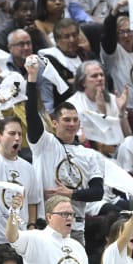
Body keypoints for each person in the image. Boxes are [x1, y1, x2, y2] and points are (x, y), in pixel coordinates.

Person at [24, 57, 104, 245]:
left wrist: (71, 193)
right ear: (54, 123)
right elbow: (31, 114)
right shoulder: (44, 144)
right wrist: (32, 79)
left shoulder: (90, 155)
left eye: (75, 120)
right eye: (66, 120)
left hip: (75, 229)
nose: (71, 124)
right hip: (46, 224)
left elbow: (97, 192)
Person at [0, 113, 40, 253]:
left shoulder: (28, 168)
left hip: (19, 240)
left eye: (20, 134)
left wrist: (31, 225)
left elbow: (32, 201)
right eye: (12, 133)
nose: (17, 138)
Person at [0, 28, 54, 114]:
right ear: (10, 48)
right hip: (7, 116)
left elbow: (47, 102)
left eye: (28, 43)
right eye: (21, 44)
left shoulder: (40, 67)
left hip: (36, 116)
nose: (26, 47)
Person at [66, 60, 131, 141]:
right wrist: (101, 114)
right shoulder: (73, 105)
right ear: (83, 82)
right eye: (94, 76)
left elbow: (127, 136)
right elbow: (83, 140)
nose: (100, 78)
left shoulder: (114, 99)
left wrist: (122, 111)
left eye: (102, 75)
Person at [38, 18, 96, 106]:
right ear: (57, 40)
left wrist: (74, 81)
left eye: (74, 35)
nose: (72, 40)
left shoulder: (87, 55)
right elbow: (64, 92)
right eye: (66, 37)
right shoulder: (50, 59)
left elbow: (107, 79)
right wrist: (89, 81)